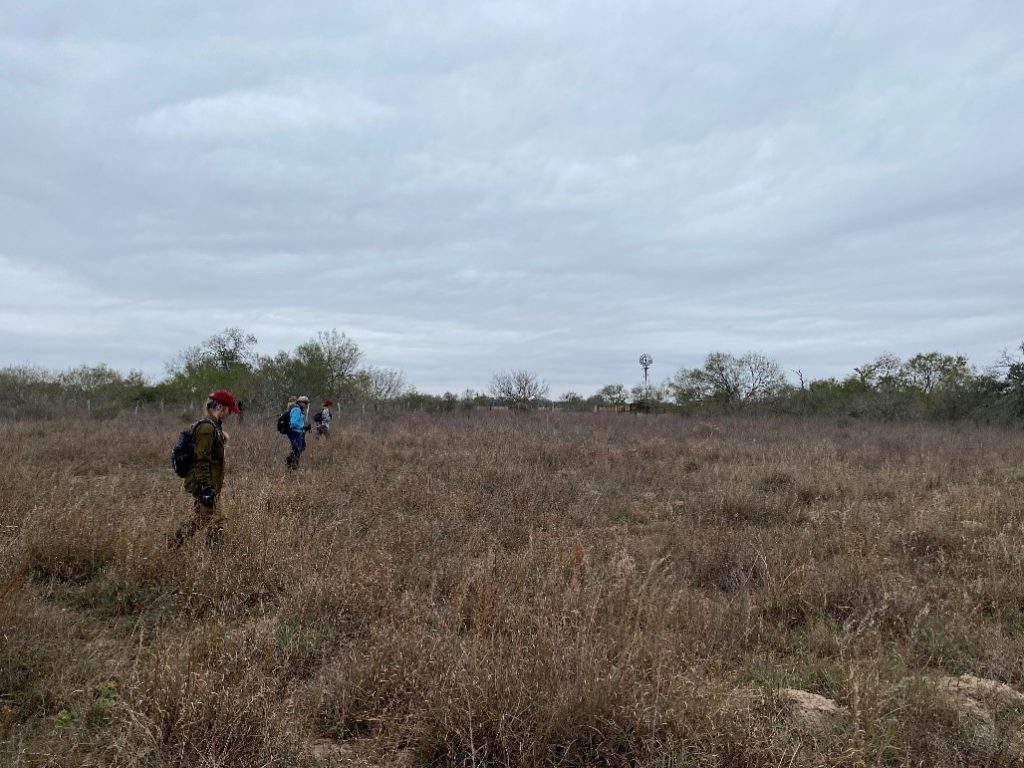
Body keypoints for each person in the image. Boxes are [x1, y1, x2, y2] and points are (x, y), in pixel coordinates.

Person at [171, 389, 239, 548]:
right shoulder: (207, 429)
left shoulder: (214, 426)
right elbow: (201, 461)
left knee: (205, 519)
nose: (229, 414)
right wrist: (207, 489)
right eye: (229, 410)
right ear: (220, 407)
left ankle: (175, 544)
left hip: (209, 484)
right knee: (212, 520)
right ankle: (213, 554)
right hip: (204, 484)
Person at [286, 395, 311, 469]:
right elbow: (294, 423)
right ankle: (291, 464)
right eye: (305, 403)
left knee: (301, 448)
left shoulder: (300, 410)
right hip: (294, 432)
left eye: (307, 403)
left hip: (298, 432)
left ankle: (292, 464)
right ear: (300, 402)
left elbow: (299, 422)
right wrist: (302, 427)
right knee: (297, 449)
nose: (306, 405)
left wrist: (305, 428)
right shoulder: (297, 409)